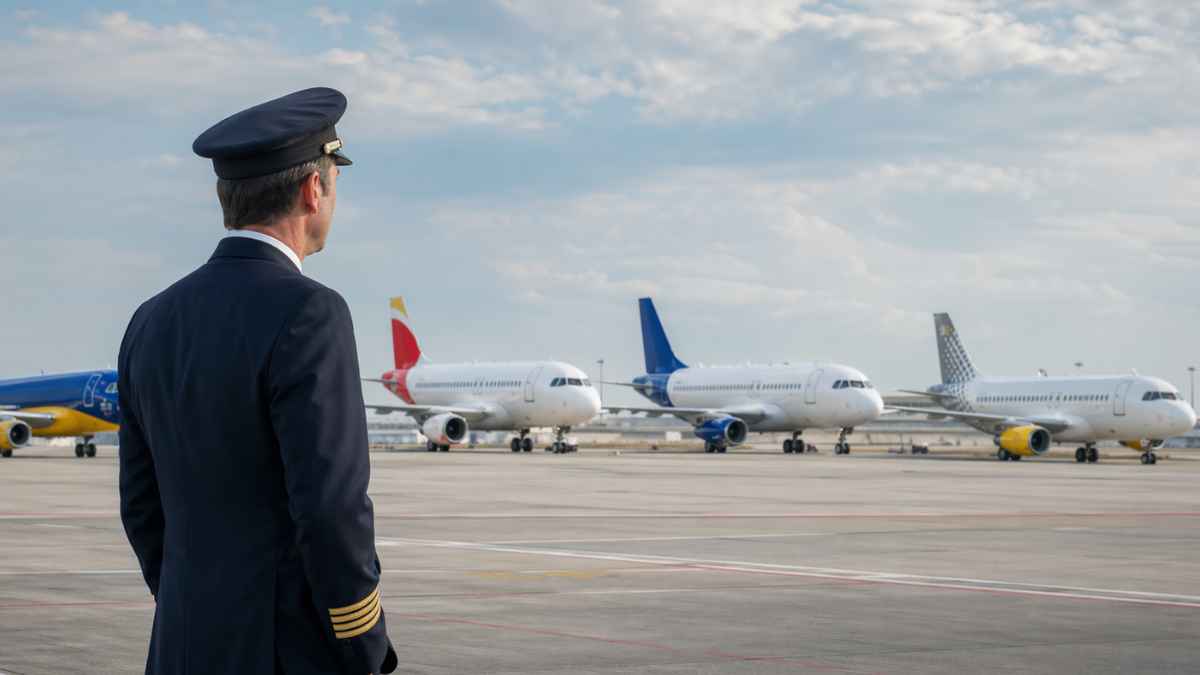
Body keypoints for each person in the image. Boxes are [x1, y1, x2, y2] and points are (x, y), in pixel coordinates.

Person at [118, 87, 397, 674]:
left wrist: (192, 603)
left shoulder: (151, 318)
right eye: (334, 181)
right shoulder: (309, 313)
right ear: (312, 188)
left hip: (182, 644)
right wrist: (361, 641)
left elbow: (141, 504)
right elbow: (330, 509)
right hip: (284, 651)